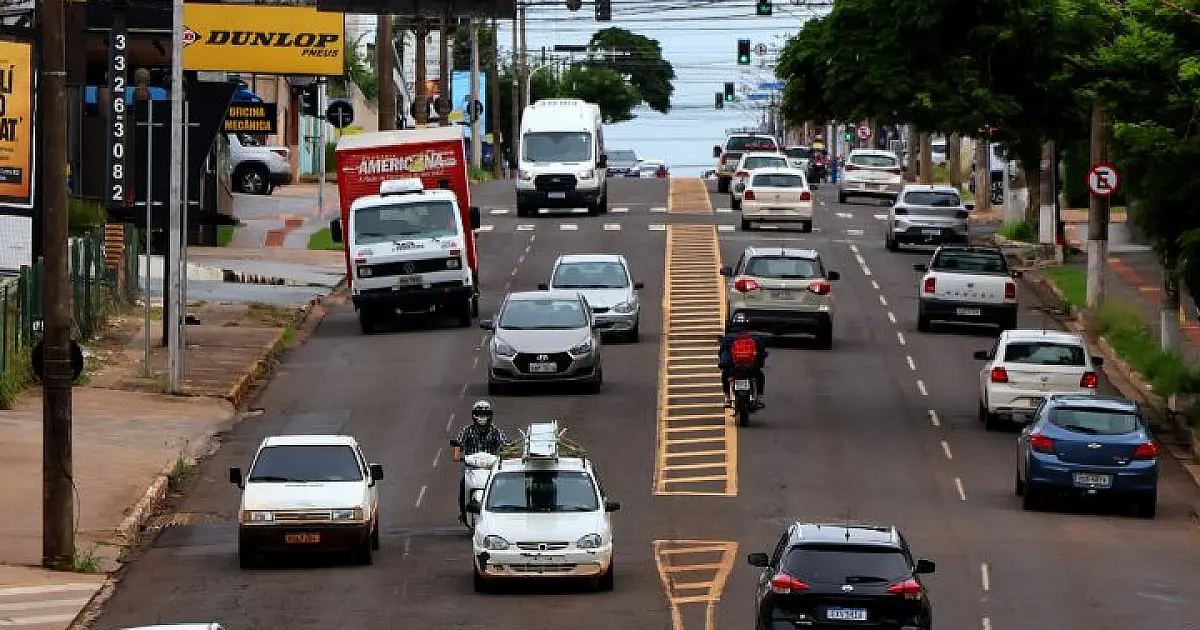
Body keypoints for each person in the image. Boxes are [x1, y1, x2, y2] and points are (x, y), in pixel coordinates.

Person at [453, 400, 508, 524]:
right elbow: (458, 444)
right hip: (471, 467)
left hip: (490, 466)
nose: (482, 418)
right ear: (474, 415)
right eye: (479, 414)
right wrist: (457, 455)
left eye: (485, 414)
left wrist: (505, 454)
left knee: (501, 486)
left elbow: (505, 446)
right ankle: (463, 511)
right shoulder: (467, 430)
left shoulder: (496, 431)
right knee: (463, 484)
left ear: (490, 415)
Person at [717, 314, 768, 409]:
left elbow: (722, 353)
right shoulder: (755, 337)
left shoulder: (728, 338)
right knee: (760, 375)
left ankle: (727, 399)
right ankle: (759, 398)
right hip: (751, 368)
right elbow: (762, 353)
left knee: (725, 375)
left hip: (733, 368)